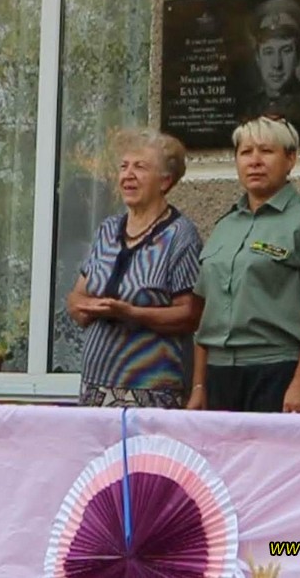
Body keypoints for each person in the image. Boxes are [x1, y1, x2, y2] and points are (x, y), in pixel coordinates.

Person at [187, 115, 300, 414]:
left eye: (267, 151)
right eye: (246, 152)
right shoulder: (226, 225)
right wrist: (199, 385)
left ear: (290, 159)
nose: (255, 161)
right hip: (219, 374)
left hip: (278, 370)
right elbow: (206, 311)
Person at [66, 128, 203, 409]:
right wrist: (82, 307)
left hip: (153, 389)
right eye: (123, 166)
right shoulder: (107, 229)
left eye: (140, 167)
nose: (128, 175)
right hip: (96, 386)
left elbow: (190, 314)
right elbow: (77, 295)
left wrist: (131, 313)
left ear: (165, 181)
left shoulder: (181, 235)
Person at [240, 0, 300, 134]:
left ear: (299, 55)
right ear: (258, 57)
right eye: (268, 52)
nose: (277, 64)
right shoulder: (250, 108)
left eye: (286, 51)